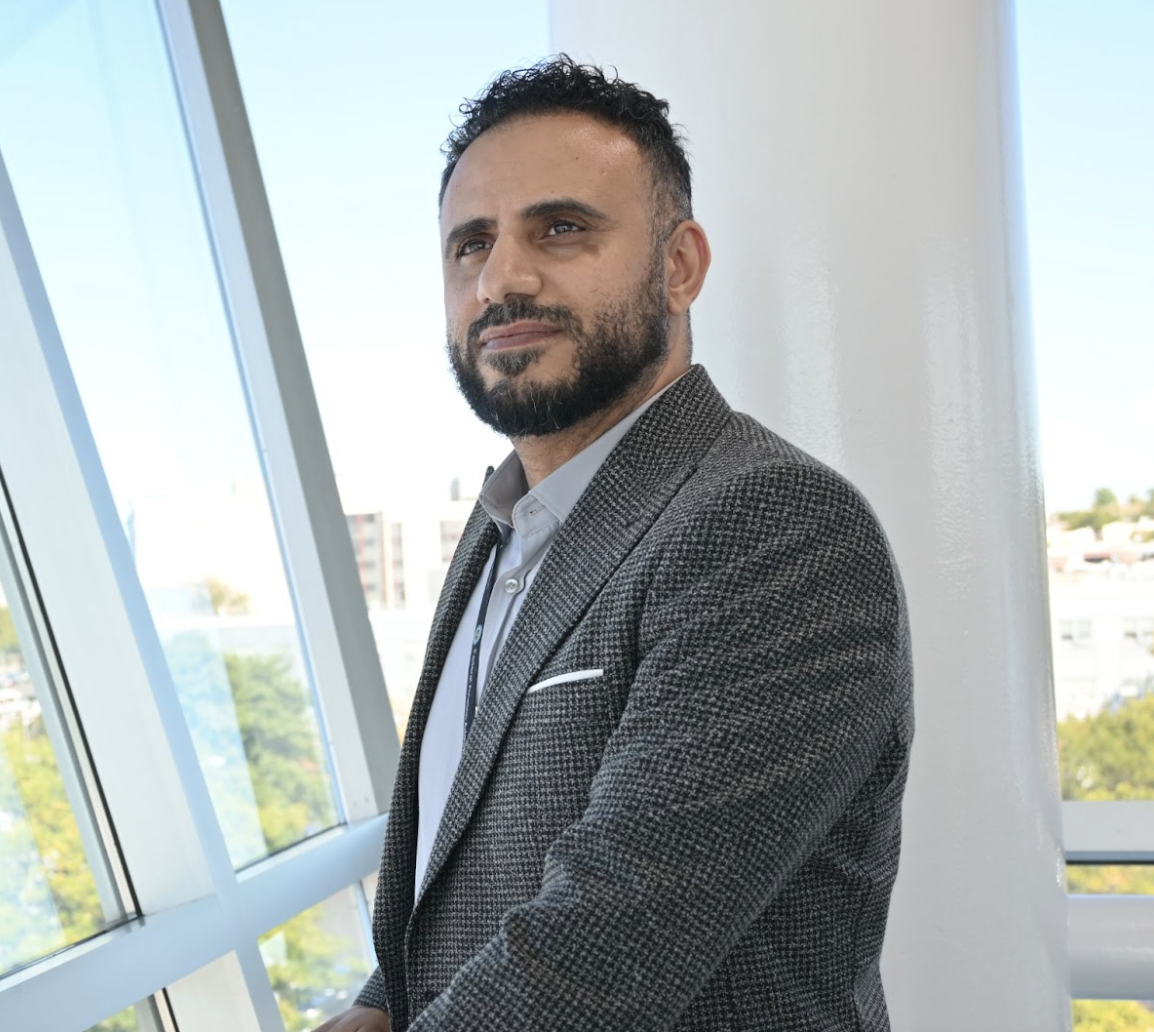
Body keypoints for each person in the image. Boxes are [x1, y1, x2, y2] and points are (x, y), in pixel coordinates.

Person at [315, 56, 913, 1032]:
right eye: (470, 246)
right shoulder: (501, 527)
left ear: (678, 265)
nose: (501, 279)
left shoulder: (771, 525)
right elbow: (463, 849)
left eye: (560, 229)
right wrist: (380, 1005)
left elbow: (601, 949)